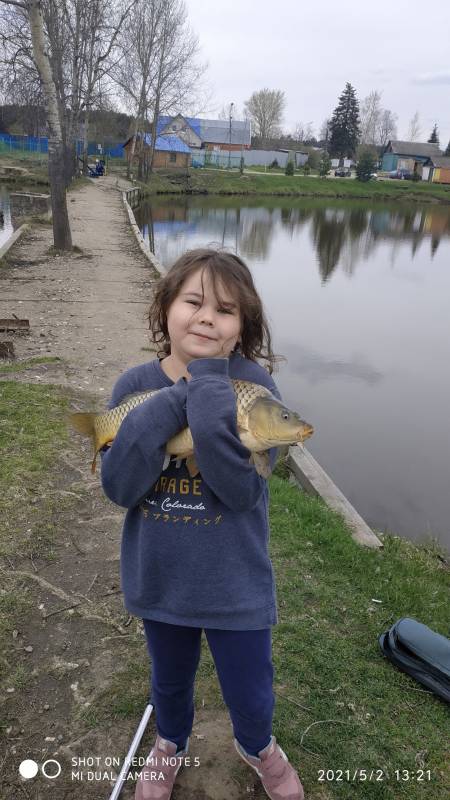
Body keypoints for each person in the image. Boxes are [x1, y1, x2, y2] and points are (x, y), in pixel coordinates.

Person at [100, 248, 304, 800]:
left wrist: (207, 386)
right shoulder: (133, 386)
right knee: (168, 682)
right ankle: (169, 742)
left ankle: (258, 746)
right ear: (166, 308)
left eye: (226, 310)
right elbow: (119, 488)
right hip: (161, 579)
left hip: (235, 583)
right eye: (193, 301)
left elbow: (239, 492)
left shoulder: (256, 393)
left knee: (251, 687)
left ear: (243, 329)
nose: (207, 317)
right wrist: (174, 400)